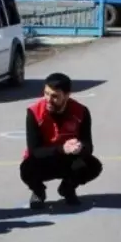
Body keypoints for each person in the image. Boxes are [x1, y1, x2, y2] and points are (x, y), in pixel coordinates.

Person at [20, 72, 103, 209]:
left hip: (68, 159)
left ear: (67, 95)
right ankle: (38, 191)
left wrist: (80, 146)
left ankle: (67, 188)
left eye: (54, 96)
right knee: (26, 168)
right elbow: (34, 150)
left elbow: (89, 146)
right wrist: (61, 149)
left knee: (93, 166)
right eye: (46, 93)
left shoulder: (81, 112)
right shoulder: (34, 112)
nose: (48, 99)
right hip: (44, 158)